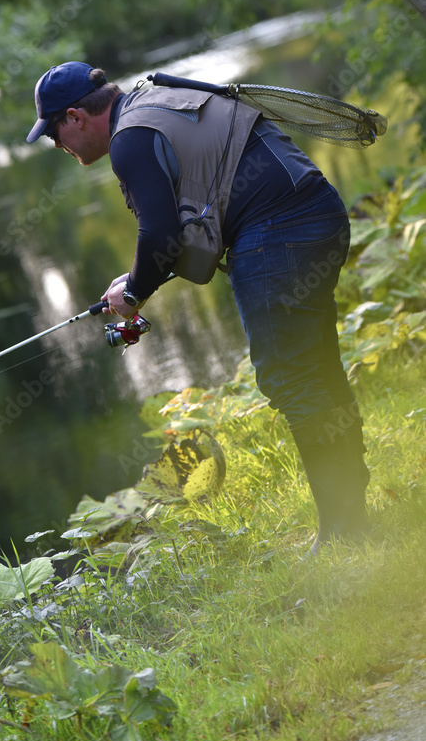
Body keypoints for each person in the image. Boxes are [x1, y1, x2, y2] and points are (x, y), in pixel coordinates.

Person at [26, 60, 370, 553]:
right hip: (318, 213)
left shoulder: (129, 140)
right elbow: (185, 231)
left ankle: (343, 531)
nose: (57, 146)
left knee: (291, 377)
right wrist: (137, 280)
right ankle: (352, 511)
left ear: (77, 116)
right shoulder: (155, 100)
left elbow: (161, 235)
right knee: (314, 365)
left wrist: (135, 292)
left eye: (54, 133)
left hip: (278, 235)